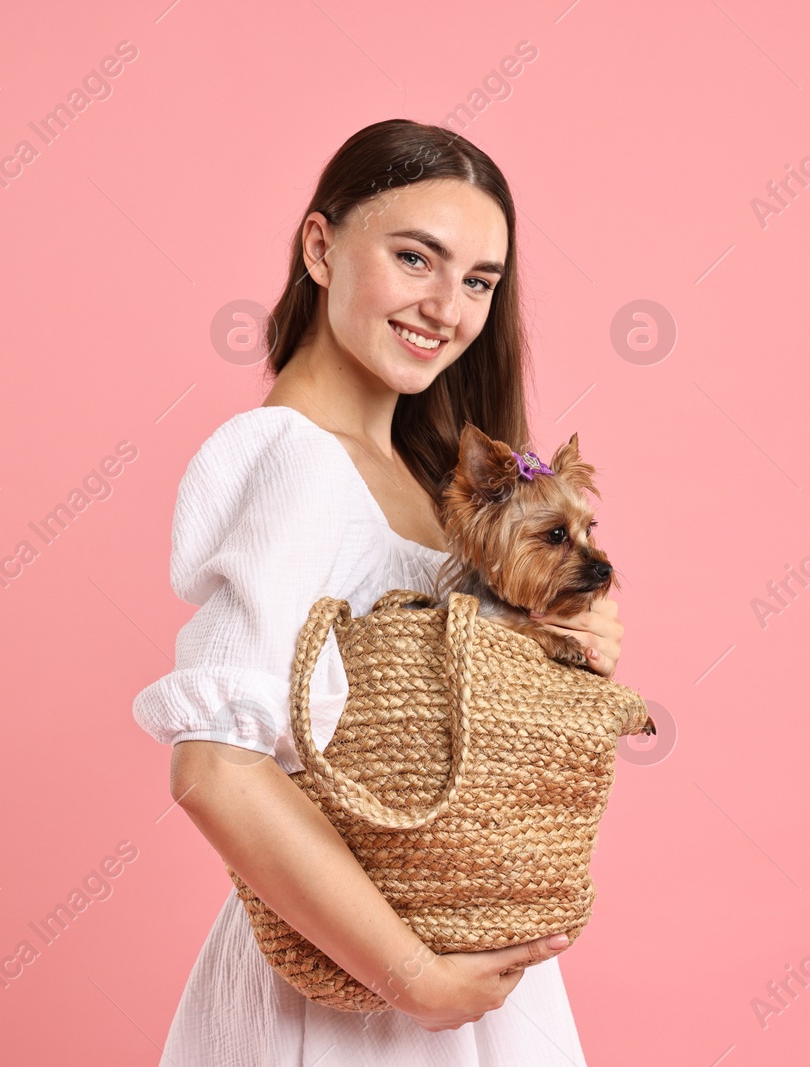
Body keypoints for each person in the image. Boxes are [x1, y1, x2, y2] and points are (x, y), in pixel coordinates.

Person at [132, 119, 625, 1066]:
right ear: (321, 248)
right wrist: (415, 976)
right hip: (353, 995)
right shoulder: (292, 461)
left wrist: (571, 637)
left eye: (479, 281)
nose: (447, 306)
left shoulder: (421, 476)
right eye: (415, 257)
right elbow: (216, 769)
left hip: (457, 974)